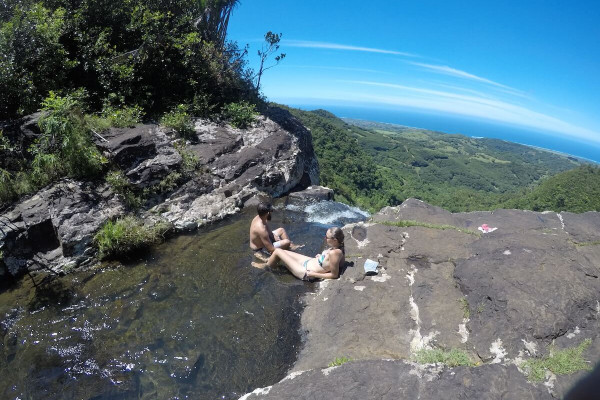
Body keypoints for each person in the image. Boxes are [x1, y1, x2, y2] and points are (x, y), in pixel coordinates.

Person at [252, 227, 345, 281]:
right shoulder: (338, 247)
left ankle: (266, 266)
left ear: (335, 240)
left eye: (327, 237)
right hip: (308, 261)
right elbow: (333, 263)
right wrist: (321, 258)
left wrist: (313, 274)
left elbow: (334, 275)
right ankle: (268, 261)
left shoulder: (335, 253)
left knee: (278, 251)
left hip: (305, 271)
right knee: (283, 252)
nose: (325, 238)